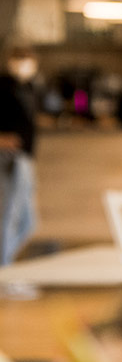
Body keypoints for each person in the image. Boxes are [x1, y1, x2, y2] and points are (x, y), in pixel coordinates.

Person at [0, 43, 40, 263]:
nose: (25, 62)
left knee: (29, 222)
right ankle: (4, 273)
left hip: (25, 159)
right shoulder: (3, 86)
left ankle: (6, 268)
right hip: (9, 159)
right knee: (9, 216)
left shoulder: (27, 87)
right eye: (20, 57)